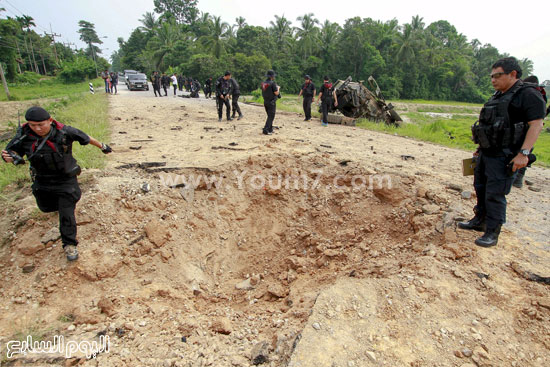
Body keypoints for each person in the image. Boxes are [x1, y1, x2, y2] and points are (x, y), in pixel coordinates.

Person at [1, 107, 112, 261]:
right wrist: (10, 158)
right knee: (45, 207)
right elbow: (12, 153)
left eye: (41, 124)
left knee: (66, 211)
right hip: (42, 180)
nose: (37, 129)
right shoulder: (23, 135)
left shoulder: (65, 131)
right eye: (33, 125)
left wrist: (103, 146)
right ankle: (60, 206)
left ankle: (69, 244)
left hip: (65, 179)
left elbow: (85, 137)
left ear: (50, 120)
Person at [458, 57, 545, 247]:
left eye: (497, 76)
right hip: (487, 153)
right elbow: (488, 126)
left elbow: (537, 125)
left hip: (506, 155)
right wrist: (479, 149)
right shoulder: (498, 96)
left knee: (495, 194)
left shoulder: (528, 95)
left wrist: (523, 153)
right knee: (480, 187)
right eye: (491, 76)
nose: (493, 80)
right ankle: (479, 221)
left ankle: (492, 231)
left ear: (513, 74)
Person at [513, 75, 548, 188]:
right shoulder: (539, 95)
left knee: (523, 152)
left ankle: (517, 179)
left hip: (527, 129)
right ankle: (517, 178)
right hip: (525, 128)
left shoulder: (532, 95)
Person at [261, 70, 280, 135]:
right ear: (272, 76)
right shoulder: (272, 83)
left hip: (265, 101)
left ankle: (270, 129)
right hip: (271, 102)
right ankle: (265, 130)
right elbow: (276, 93)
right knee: (271, 116)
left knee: (269, 116)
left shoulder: (263, 83)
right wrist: (278, 88)